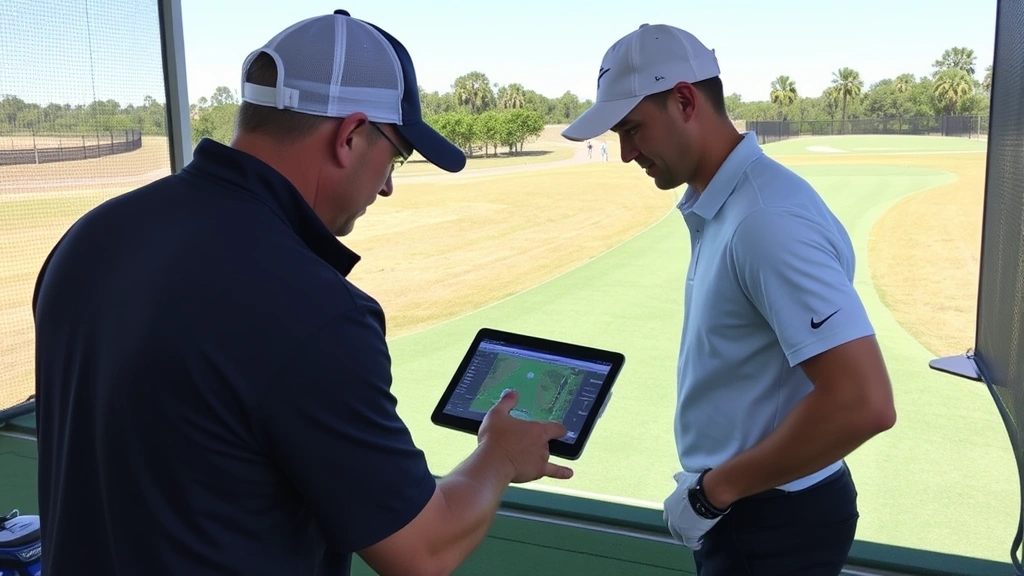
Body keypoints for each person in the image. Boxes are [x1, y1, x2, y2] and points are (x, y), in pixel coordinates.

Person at [32, 10, 572, 576]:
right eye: (396, 156)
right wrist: (499, 456)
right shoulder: (316, 311)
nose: (388, 185)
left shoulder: (89, 237)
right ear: (350, 136)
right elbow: (423, 549)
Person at [562, 23, 897, 576]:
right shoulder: (734, 202)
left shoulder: (764, 220)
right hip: (760, 504)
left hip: (768, 519)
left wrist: (710, 495)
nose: (625, 153)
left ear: (684, 101)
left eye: (633, 129)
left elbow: (863, 403)